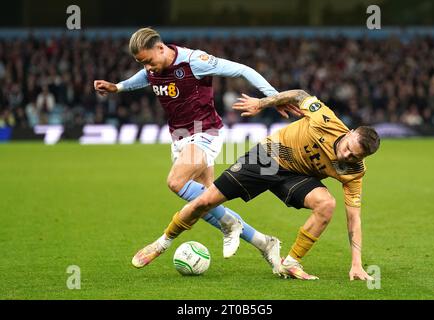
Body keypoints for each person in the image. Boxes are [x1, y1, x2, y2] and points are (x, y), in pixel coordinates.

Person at [94, 28, 301, 272]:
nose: (147, 67)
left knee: (176, 182)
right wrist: (117, 87)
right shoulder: (152, 68)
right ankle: (264, 243)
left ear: (161, 48)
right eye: (141, 63)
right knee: (204, 205)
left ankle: (224, 225)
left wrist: (273, 98)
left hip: (204, 133)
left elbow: (244, 70)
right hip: (180, 138)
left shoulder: (195, 61)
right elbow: (144, 77)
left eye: (148, 61)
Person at [135, 89, 381, 280]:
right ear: (348, 132)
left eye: (355, 156)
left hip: (297, 177)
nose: (346, 156)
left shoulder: (354, 171)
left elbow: (354, 217)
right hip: (268, 157)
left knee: (326, 204)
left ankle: (291, 263)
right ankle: (162, 243)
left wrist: (357, 263)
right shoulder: (324, 118)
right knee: (206, 201)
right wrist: (262, 103)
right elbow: (299, 95)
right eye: (348, 148)